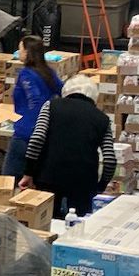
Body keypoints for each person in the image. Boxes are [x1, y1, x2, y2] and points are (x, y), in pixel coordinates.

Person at [20, 74, 116, 217]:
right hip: (83, 180)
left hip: (48, 175)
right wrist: (100, 186)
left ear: (66, 91)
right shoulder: (102, 119)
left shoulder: (51, 106)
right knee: (78, 227)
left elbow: (37, 139)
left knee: (44, 221)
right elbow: (110, 159)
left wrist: (29, 173)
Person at [2, 34, 63, 179]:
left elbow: (34, 100)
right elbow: (64, 91)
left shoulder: (26, 75)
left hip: (25, 133)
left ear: (28, 52)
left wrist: (32, 121)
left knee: (8, 178)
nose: (18, 53)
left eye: (20, 50)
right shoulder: (48, 72)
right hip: (45, 133)